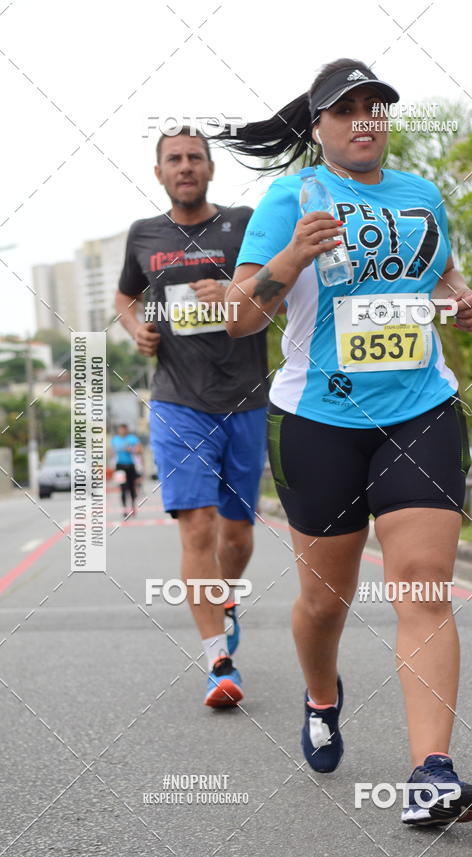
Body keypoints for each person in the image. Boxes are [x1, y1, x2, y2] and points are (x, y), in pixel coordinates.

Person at [222, 59, 472, 826]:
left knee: (424, 582)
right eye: (347, 110)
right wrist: (292, 256)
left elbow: (440, 282)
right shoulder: (289, 197)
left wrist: (459, 301)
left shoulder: (421, 195)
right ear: (318, 127)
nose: (364, 119)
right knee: (323, 601)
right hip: (320, 423)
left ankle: (431, 772)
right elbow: (240, 317)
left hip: (420, 410)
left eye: (376, 108)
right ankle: (321, 694)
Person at [115, 126, 270, 708]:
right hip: (178, 399)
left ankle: (225, 598)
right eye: (174, 159)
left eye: (195, 158)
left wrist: (233, 287)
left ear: (209, 169)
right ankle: (218, 662)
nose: (185, 166)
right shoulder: (143, 236)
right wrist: (137, 330)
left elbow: (273, 282)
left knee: (237, 532)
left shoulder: (243, 222)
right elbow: (127, 297)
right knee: (197, 526)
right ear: (159, 172)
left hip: (246, 398)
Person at [111, 423, 141, 519]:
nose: (122, 431)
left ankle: (133, 507)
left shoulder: (132, 439)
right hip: (120, 466)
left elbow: (139, 450)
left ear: (126, 430)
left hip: (130, 466)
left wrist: (130, 449)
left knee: (132, 488)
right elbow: (111, 452)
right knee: (123, 488)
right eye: (120, 429)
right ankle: (124, 509)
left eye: (124, 429)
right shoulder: (115, 440)